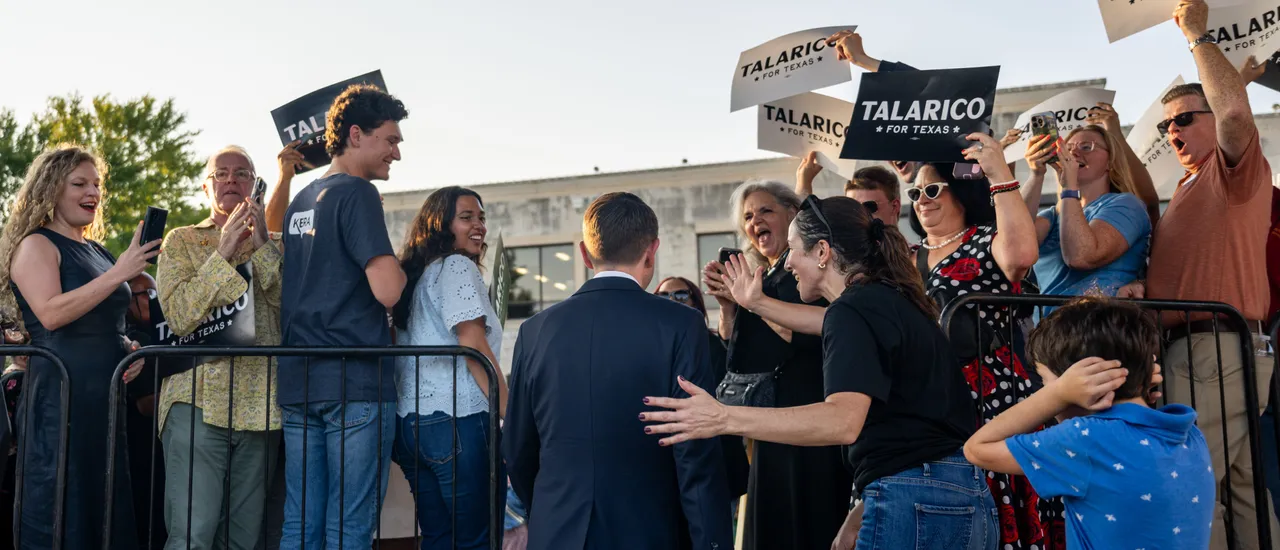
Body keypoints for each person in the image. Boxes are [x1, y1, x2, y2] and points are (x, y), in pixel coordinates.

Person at [643, 189, 996, 549]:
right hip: (959, 497)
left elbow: (842, 422)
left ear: (823, 252)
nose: (789, 262)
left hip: (914, 503)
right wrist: (861, 511)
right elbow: (917, 432)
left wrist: (723, 418)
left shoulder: (853, 311)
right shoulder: (890, 302)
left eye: (795, 249)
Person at [503, 192, 733, 550]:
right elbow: (693, 452)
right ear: (651, 251)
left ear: (584, 252)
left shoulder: (535, 330)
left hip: (557, 529)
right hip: (650, 531)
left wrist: (550, 508)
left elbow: (518, 445)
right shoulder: (681, 325)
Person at [1130, 2, 1280, 548]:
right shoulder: (1190, 186)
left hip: (1213, 350)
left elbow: (1235, 114)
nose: (1172, 130)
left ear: (1213, 120)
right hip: (1206, 349)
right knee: (1242, 496)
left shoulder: (1231, 167)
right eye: (1167, 123)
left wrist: (1196, 34)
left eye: (1186, 118)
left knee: (1190, 489)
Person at [902, 130, 1054, 547]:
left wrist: (998, 172)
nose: (922, 199)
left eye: (932, 188)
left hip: (991, 396)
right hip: (925, 400)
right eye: (914, 193)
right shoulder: (901, 257)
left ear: (959, 193)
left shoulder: (986, 240)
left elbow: (1022, 256)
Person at [965, 297, 1214, 549]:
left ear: (1082, 382)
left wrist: (1057, 395)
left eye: (1045, 381)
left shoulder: (1086, 439)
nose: (1042, 390)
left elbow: (977, 448)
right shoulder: (1190, 435)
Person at [0, 144, 154, 549]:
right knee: (63, 504)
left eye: (97, 184)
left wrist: (126, 346)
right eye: (79, 183)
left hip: (104, 396)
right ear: (51, 189)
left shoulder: (97, 250)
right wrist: (120, 271)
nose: (93, 192)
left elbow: (102, 317)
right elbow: (50, 314)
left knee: (104, 505)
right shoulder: (37, 245)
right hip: (60, 398)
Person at [279, 84, 408, 549]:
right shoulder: (357, 195)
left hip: (299, 383)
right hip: (354, 382)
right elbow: (388, 290)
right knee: (348, 528)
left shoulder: (301, 200)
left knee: (300, 523)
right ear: (356, 134)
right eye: (390, 139)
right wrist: (404, 267)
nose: (397, 152)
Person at [701, 180, 852, 550]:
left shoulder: (808, 276)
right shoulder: (762, 277)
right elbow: (738, 351)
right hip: (769, 424)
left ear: (792, 214)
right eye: (749, 216)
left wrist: (755, 303)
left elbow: (804, 332)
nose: (756, 222)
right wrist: (729, 305)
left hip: (811, 415)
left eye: (765, 210)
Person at [156, 145, 283, 550]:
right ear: (206, 187)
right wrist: (224, 250)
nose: (231, 180)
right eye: (222, 174)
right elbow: (179, 314)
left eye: (242, 174)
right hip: (196, 399)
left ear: (254, 185)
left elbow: (288, 303)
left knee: (243, 540)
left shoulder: (277, 243)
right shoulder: (182, 241)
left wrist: (261, 239)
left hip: (262, 405)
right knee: (192, 534)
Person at [390, 185, 507, 550]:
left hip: (410, 426)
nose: (480, 226)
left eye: (482, 218)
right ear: (440, 225)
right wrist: (512, 412)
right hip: (459, 421)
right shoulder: (457, 266)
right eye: (467, 217)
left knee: (440, 539)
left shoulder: (415, 275)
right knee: (477, 542)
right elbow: (472, 344)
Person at [1021, 118, 1154, 298]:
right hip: (1050, 324)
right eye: (1068, 148)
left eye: (1086, 147)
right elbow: (1016, 246)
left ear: (1110, 162)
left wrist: (1070, 186)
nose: (1074, 152)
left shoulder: (1127, 205)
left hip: (1100, 322)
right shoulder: (1054, 215)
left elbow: (1081, 256)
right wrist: (1037, 174)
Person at [653, 276, 751, 505]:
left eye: (680, 295)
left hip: (716, 462)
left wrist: (728, 308)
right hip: (667, 465)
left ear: (695, 302)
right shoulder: (647, 348)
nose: (672, 300)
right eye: (664, 296)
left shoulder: (718, 345)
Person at [124, 272, 167, 550]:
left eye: (157, 293)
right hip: (141, 448)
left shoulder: (159, 333)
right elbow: (146, 403)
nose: (155, 300)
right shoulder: (135, 338)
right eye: (148, 294)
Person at [795, 152, 902, 226]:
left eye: (869, 207)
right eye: (851, 209)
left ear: (894, 207)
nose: (859, 216)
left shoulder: (915, 257)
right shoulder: (841, 256)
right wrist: (804, 181)